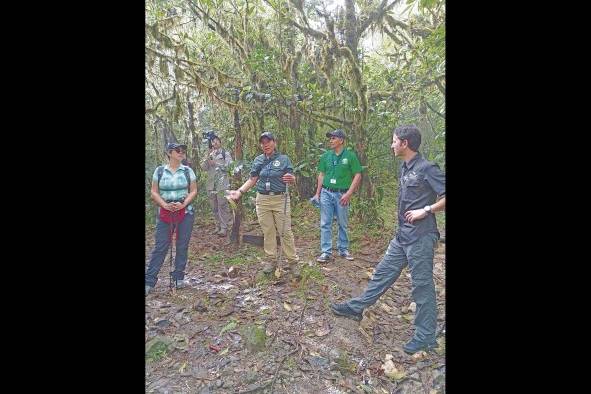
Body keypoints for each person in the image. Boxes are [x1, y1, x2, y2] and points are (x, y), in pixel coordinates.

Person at [330, 125, 445, 355]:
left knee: (421, 286)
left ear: (405, 143)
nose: (391, 145)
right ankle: (356, 308)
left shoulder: (427, 168)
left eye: (394, 141)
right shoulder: (404, 167)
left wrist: (427, 210)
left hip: (421, 238)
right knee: (382, 274)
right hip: (402, 236)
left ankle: (425, 337)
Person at [228, 131, 299, 272]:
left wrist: (292, 179)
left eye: (268, 141)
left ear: (274, 142)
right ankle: (271, 260)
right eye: (263, 143)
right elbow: (252, 179)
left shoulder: (284, 159)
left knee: (285, 231)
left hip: (280, 199)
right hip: (263, 199)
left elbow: (291, 177)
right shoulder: (258, 160)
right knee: (268, 231)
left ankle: (293, 262)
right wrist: (240, 192)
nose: (266, 145)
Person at [145, 142, 198, 295]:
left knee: (182, 245)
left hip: (185, 212)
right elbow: (154, 192)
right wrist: (164, 205)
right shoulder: (160, 171)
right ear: (169, 153)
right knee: (161, 246)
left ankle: (178, 277)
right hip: (164, 212)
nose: (181, 152)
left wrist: (183, 204)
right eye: (177, 150)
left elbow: (193, 191)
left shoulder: (188, 171)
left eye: (183, 150)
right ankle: (149, 280)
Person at [313, 129, 363, 263]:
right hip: (326, 192)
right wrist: (317, 193)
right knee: (325, 223)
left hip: (342, 194)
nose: (331, 140)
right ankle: (326, 252)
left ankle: (343, 249)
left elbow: (358, 174)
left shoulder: (350, 156)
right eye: (330, 138)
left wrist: (349, 193)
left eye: (334, 138)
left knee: (343, 222)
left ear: (341, 140)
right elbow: (321, 175)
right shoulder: (326, 156)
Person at [201, 135, 233, 237]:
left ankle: (224, 228)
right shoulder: (210, 154)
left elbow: (230, 167)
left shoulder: (225, 154)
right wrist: (207, 158)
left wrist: (217, 164)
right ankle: (217, 226)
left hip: (222, 184)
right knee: (214, 207)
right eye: (212, 142)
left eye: (216, 141)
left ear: (220, 142)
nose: (214, 143)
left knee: (223, 205)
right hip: (211, 185)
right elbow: (204, 168)